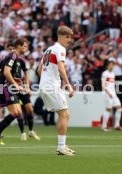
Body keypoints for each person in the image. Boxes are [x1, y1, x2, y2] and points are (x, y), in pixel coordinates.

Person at [37, 26, 76, 156]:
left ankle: (62, 146)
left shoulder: (48, 49)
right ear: (59, 36)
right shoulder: (60, 49)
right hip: (52, 86)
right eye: (67, 37)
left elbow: (39, 70)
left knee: (63, 114)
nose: (69, 40)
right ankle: (61, 147)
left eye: (70, 37)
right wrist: (68, 85)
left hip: (44, 85)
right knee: (65, 114)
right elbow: (60, 66)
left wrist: (46, 79)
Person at [0, 43, 41, 141]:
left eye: (12, 49)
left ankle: (31, 131)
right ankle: (22, 133)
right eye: (10, 49)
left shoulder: (20, 60)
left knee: (29, 109)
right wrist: (7, 78)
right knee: (17, 112)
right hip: (10, 86)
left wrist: (27, 86)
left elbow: (26, 73)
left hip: (20, 86)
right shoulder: (7, 59)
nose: (11, 50)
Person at [0, 38, 28, 145]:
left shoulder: (14, 57)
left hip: (7, 86)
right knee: (15, 113)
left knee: (17, 112)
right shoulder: (12, 56)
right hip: (4, 87)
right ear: (18, 46)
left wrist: (15, 80)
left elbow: (6, 72)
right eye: (24, 46)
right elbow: (6, 72)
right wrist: (15, 84)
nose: (26, 48)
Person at [101, 59, 122, 132]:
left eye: (113, 65)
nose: (112, 66)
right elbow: (103, 85)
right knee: (108, 109)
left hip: (113, 94)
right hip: (108, 93)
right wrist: (108, 93)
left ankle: (117, 125)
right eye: (110, 65)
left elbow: (112, 84)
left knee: (119, 108)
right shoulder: (105, 73)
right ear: (107, 66)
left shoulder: (113, 74)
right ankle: (104, 126)